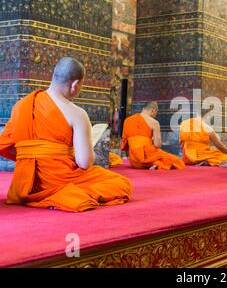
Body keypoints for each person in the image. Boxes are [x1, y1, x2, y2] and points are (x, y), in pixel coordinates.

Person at [0, 57, 132, 212]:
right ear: (75, 84)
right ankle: (65, 196)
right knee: (122, 184)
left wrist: (35, 154)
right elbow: (84, 162)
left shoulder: (21, 106)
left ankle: (53, 195)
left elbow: (8, 146)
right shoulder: (77, 113)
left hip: (26, 184)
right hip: (59, 180)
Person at [122, 102, 185, 170]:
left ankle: (153, 163)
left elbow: (125, 144)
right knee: (177, 161)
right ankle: (153, 163)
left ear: (143, 109)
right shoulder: (154, 122)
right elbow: (157, 144)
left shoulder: (127, 120)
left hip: (133, 160)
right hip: (146, 156)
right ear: (154, 110)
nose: (155, 115)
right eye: (156, 112)